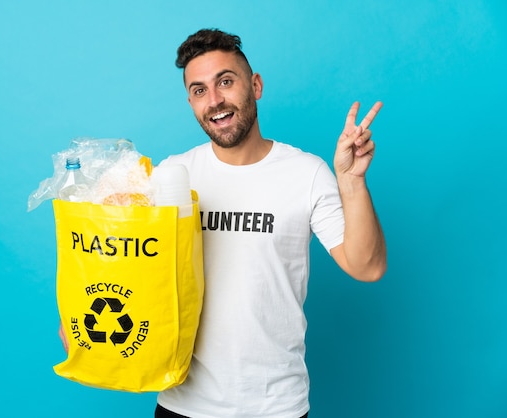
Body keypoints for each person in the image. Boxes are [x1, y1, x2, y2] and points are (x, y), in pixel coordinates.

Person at [153, 29, 387, 418]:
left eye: (225, 82)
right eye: (198, 90)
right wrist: (80, 319)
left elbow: (367, 266)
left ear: (255, 85)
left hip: (275, 407)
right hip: (181, 405)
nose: (214, 101)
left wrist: (351, 181)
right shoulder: (172, 176)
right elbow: (129, 264)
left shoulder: (306, 174)